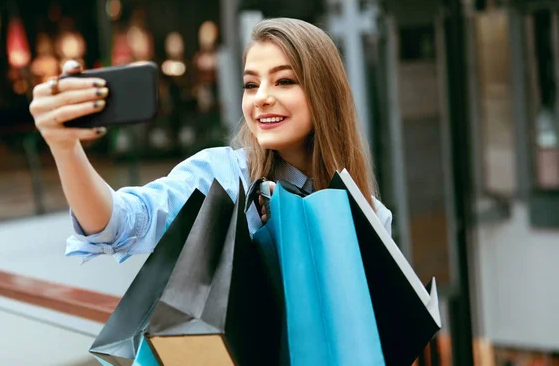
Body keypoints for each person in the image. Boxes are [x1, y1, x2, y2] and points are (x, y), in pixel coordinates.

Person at [30, 18, 393, 263]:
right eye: (251, 84)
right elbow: (119, 221)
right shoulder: (220, 176)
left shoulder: (370, 214)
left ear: (324, 94)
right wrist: (65, 148)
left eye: (284, 81)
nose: (261, 97)